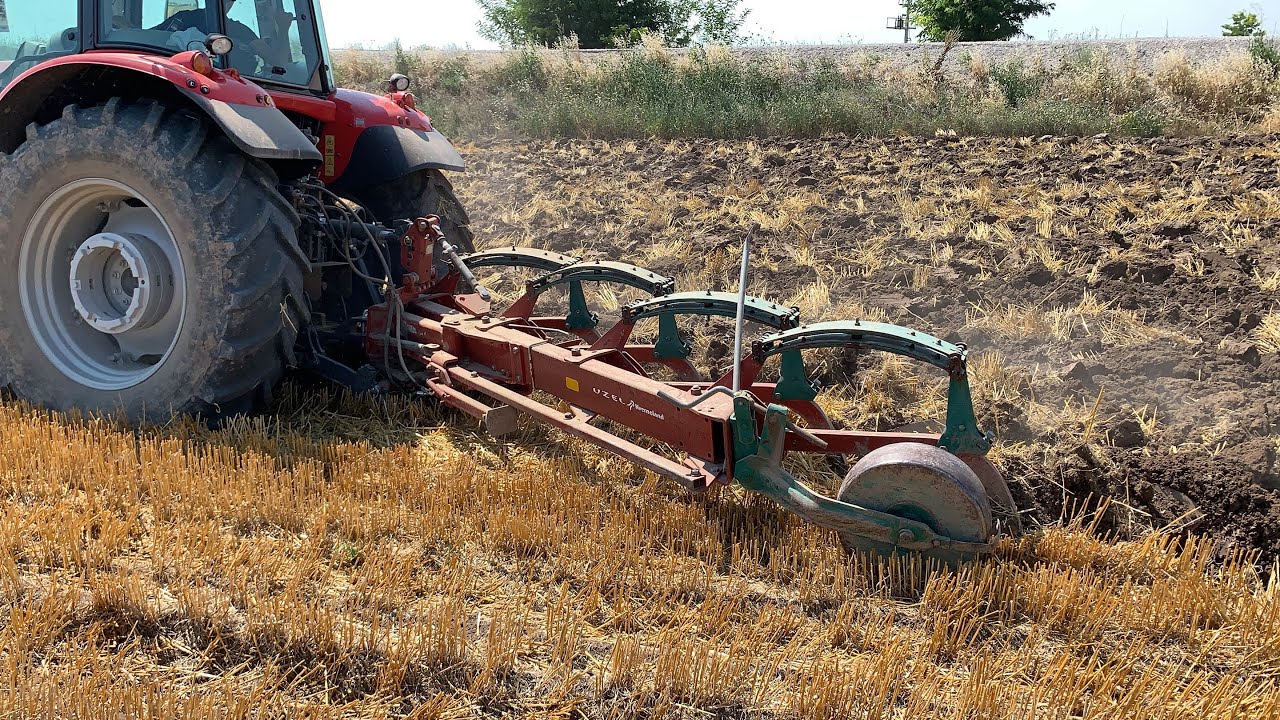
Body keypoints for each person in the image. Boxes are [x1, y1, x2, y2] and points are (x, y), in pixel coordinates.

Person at [151, 0, 293, 69]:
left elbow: (279, 64)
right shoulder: (182, 18)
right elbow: (145, 37)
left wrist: (283, 29)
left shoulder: (240, 31)